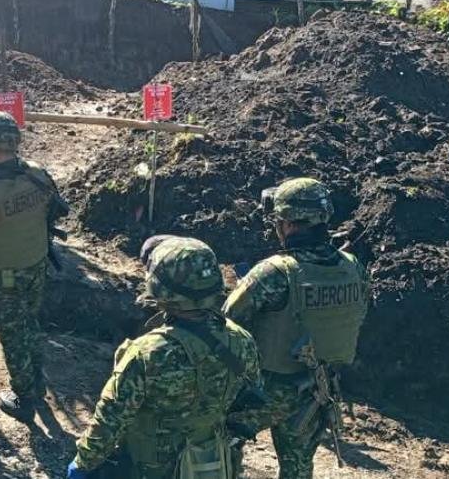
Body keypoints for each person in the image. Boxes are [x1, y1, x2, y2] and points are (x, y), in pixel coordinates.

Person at [70, 237, 263, 479]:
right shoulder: (242, 339)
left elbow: (110, 420)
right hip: (212, 463)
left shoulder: (148, 353)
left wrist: (82, 464)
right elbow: (249, 401)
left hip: (152, 469)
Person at [223, 178, 369, 479]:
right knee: (299, 468)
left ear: (287, 224)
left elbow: (226, 322)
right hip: (319, 389)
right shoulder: (353, 265)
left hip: (268, 390)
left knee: (221, 437)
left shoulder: (276, 271)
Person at [0, 111, 68, 417]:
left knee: (13, 335)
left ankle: (24, 399)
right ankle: (37, 381)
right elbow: (51, 214)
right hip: (36, 265)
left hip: (4, 276)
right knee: (31, 322)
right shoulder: (38, 174)